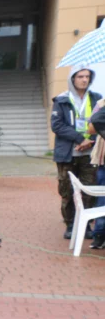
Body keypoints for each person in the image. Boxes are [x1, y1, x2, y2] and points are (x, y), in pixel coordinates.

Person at [52, 66, 101, 240]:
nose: (84, 80)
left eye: (87, 76)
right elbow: (57, 126)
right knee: (67, 191)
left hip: (89, 153)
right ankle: (71, 225)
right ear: (73, 79)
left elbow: (102, 123)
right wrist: (80, 139)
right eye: (80, 76)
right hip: (68, 154)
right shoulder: (62, 100)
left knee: (89, 189)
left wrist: (90, 142)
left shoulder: (96, 99)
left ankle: (86, 223)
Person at [88, 100, 105, 250]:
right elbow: (91, 127)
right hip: (103, 160)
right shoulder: (101, 104)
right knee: (102, 200)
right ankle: (99, 235)